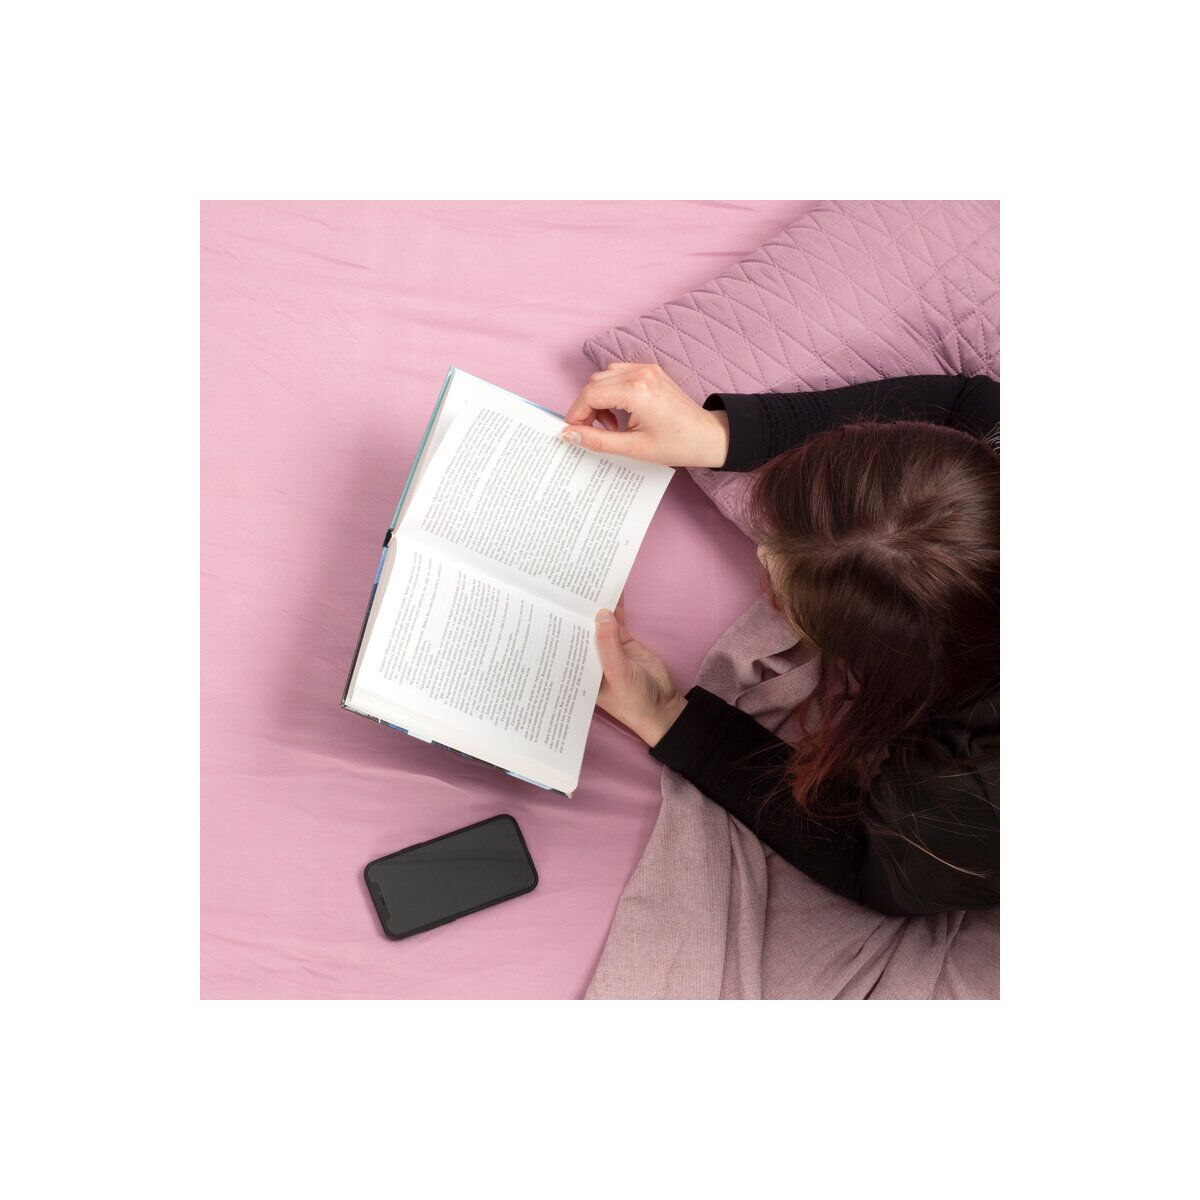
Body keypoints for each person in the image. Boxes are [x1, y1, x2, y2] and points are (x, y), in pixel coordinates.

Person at [561, 363, 1000, 917]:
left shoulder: (975, 797)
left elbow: (873, 865)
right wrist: (718, 434)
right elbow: (968, 404)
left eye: (785, 595)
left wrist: (667, 716)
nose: (764, 553)